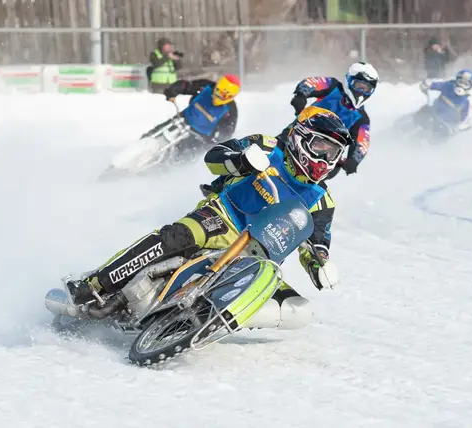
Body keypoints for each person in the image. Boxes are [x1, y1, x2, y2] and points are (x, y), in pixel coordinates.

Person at [66, 106, 351, 330]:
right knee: (173, 239)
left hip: (260, 256)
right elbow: (215, 157)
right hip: (222, 219)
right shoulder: (267, 146)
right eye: (321, 148)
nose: (325, 160)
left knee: (298, 309)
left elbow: (317, 240)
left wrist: (319, 265)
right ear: (301, 137)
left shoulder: (322, 200)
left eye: (333, 153)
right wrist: (241, 161)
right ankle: (94, 285)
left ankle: (202, 322)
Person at [199, 62, 378, 197]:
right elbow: (311, 83)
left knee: (311, 185)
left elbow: (362, 142)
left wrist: (354, 160)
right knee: (261, 154)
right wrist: (300, 95)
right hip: (296, 135)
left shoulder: (361, 118)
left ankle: (289, 212)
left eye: (367, 88)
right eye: (359, 85)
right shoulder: (333, 87)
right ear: (349, 80)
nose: (361, 92)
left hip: (324, 155)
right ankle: (221, 185)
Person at [141, 74, 240, 156]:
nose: (218, 96)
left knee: (180, 160)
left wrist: (216, 142)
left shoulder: (230, 110)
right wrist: (174, 90)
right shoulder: (206, 86)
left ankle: (158, 175)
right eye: (217, 91)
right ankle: (138, 148)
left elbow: (227, 132)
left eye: (223, 95)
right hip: (181, 120)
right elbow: (187, 86)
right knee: (152, 135)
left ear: (230, 97)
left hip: (200, 139)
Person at [415, 69, 472, 133]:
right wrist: (428, 85)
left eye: (466, 84)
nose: (462, 86)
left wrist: (461, 126)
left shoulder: (466, 102)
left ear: (470, 87)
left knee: (439, 136)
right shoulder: (448, 86)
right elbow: (437, 85)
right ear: (456, 81)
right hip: (434, 112)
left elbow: (464, 118)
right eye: (460, 82)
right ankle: (408, 124)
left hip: (446, 125)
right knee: (423, 111)